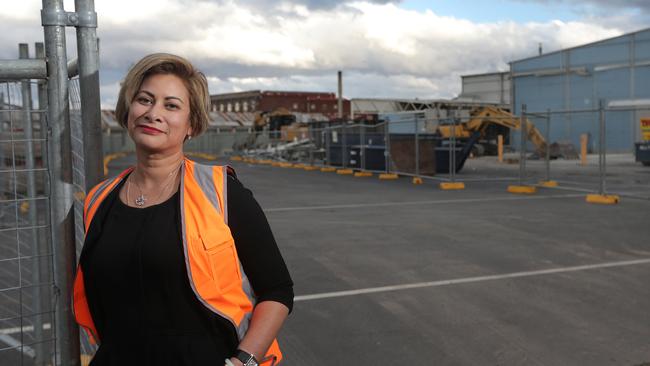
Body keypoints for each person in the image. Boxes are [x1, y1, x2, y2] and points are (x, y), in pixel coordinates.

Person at [72, 53, 293, 366]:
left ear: (191, 125)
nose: (153, 113)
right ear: (128, 110)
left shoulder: (222, 192)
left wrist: (245, 360)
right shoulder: (98, 200)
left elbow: (277, 290)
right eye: (144, 100)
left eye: (171, 105)